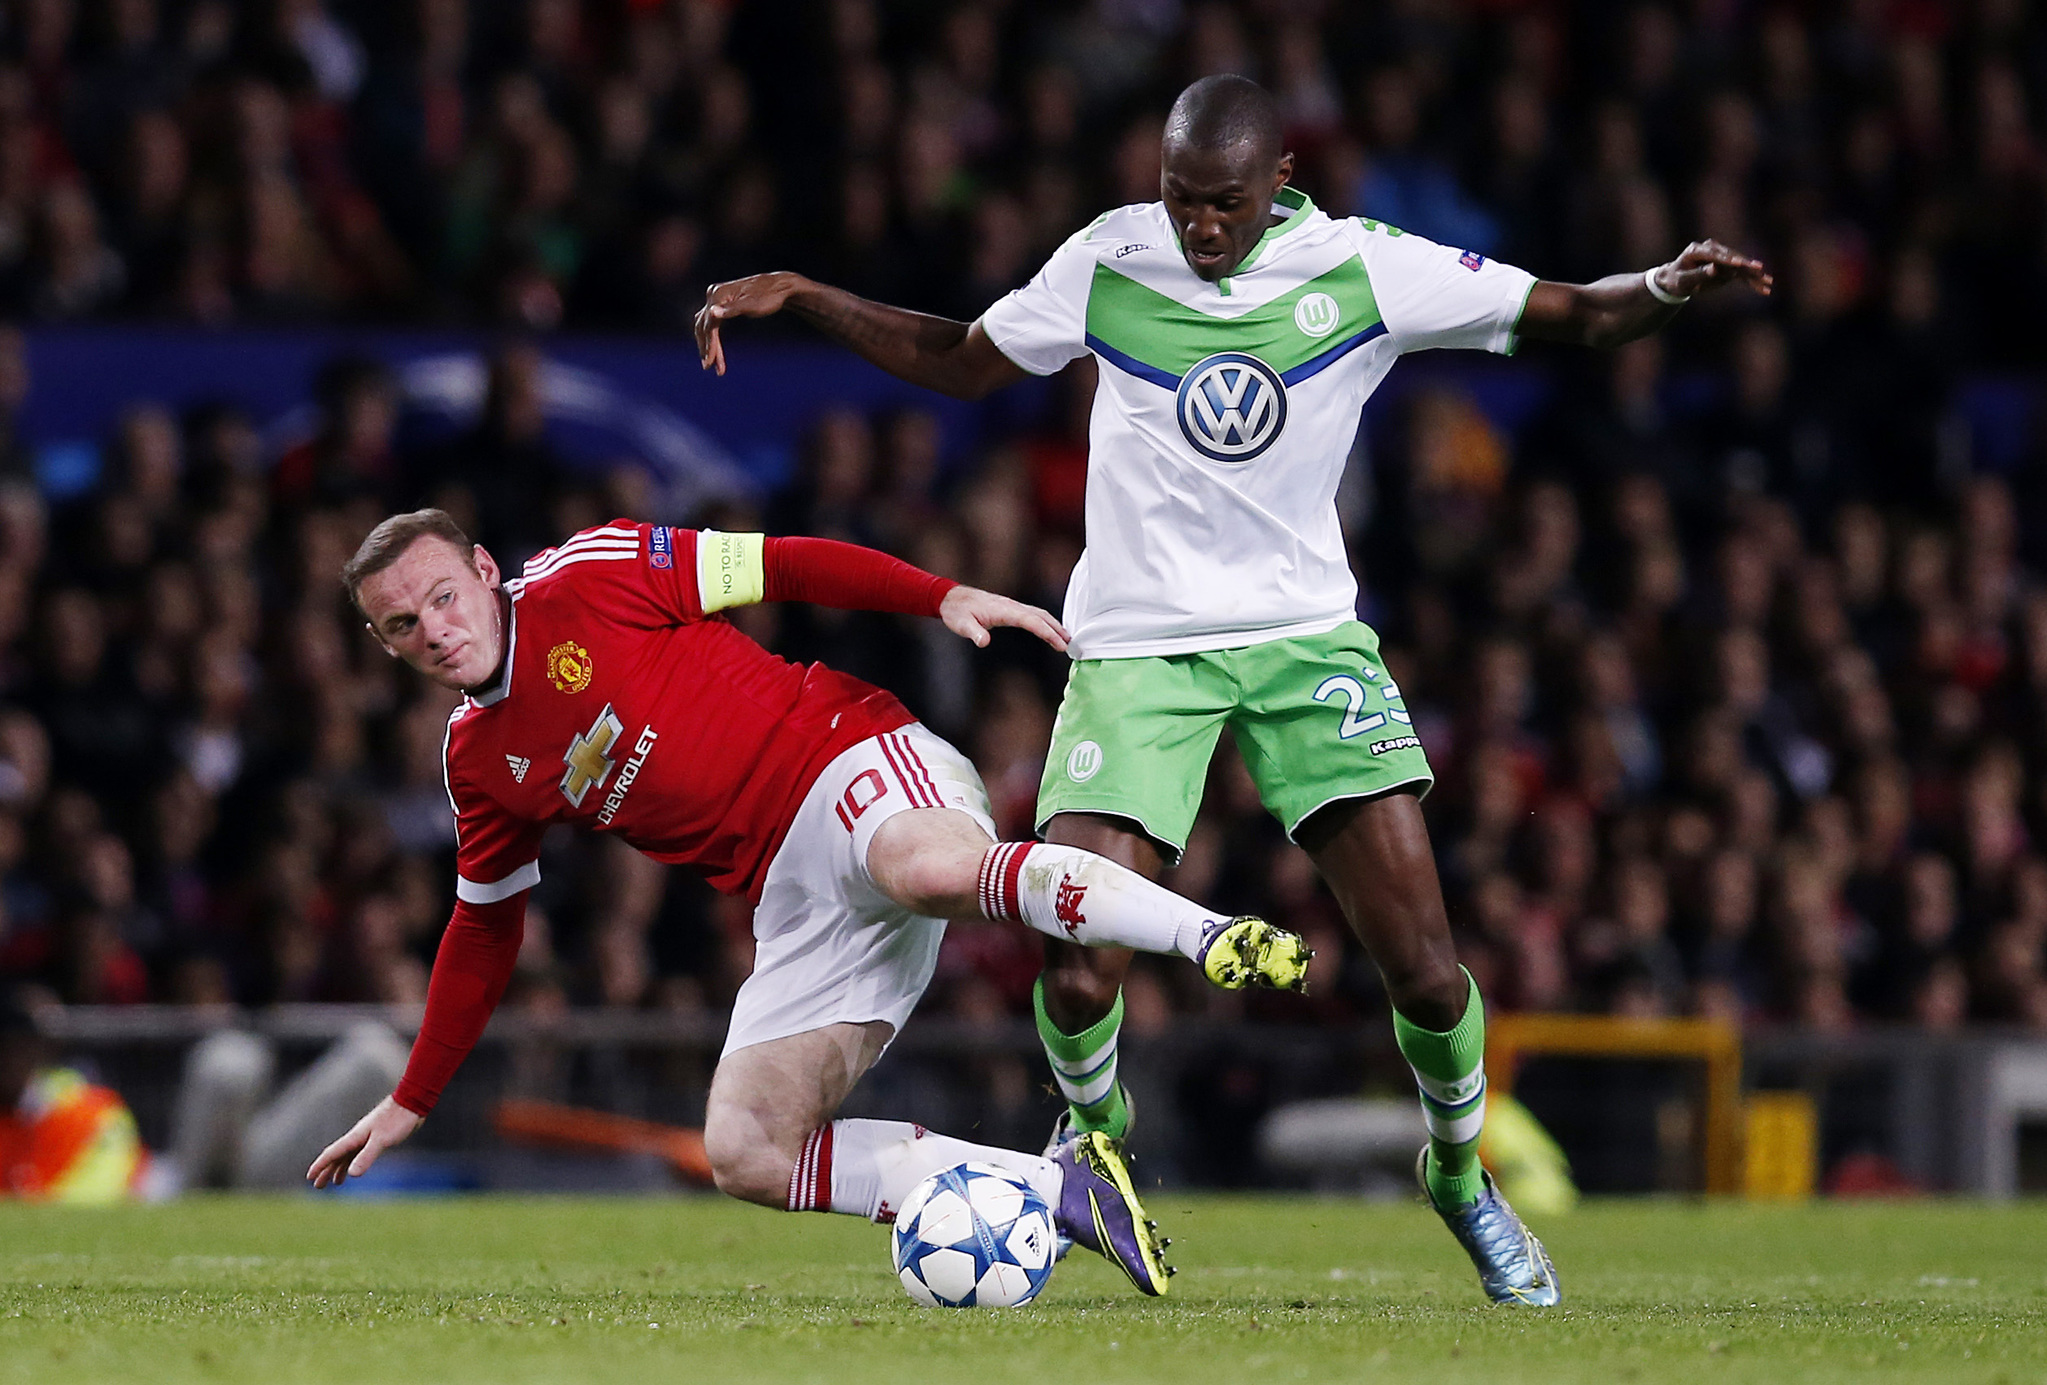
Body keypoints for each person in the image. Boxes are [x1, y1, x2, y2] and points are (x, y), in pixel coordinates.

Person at [693, 74, 1774, 1307]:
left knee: (1421, 966)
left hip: (1308, 645)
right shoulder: (1109, 258)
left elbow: (1569, 313)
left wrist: (1664, 288)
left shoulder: (1362, 268)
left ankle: (1463, 1175)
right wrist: (805, 296)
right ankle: (1097, 1143)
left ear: (1277, 184)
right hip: (1137, 648)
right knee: (1075, 957)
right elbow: (961, 359)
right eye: (1178, 198)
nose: (1197, 227)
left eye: (1221, 205)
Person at [307, 508, 1313, 1297]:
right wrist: (411, 1098)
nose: (434, 631)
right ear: (382, 643)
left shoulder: (592, 571)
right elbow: (484, 927)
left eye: (443, 596)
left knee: (927, 868)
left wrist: (937, 594)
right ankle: (1062, 1189)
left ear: (483, 569)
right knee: (744, 1146)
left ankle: (1210, 932)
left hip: (847, 757)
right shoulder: (478, 761)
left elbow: (779, 562)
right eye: (403, 623)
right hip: (792, 894)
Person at [0, 988, 149, 1203]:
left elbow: (94, 1197)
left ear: (34, 1050)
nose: (7, 1060)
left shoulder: (92, 1111)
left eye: (13, 1048)